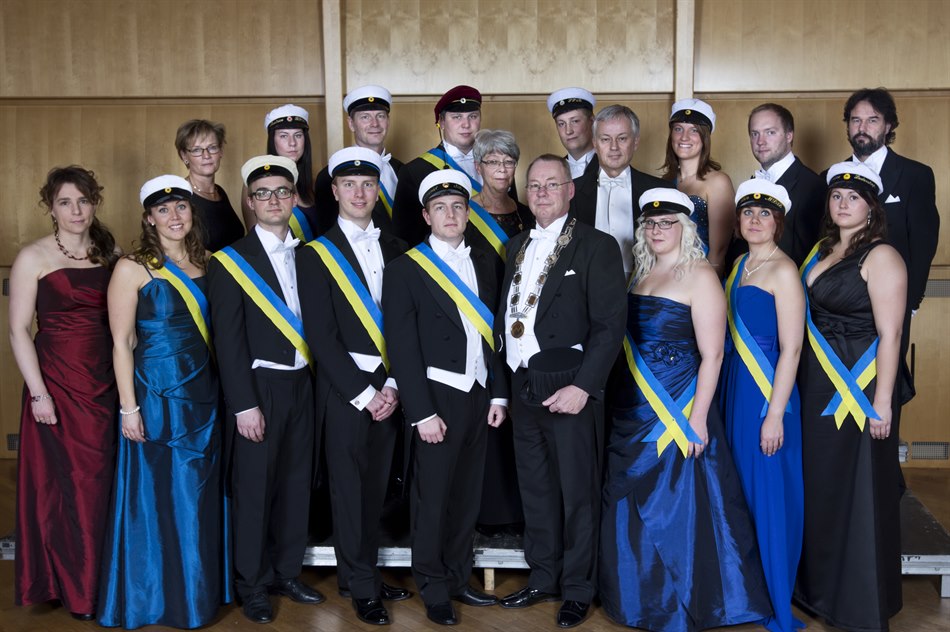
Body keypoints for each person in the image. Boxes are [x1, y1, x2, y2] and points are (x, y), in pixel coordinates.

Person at [600, 187, 771, 631]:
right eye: (650, 223)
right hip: (633, 404)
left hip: (678, 405)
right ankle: (635, 597)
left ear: (685, 228)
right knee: (630, 496)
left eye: (667, 223)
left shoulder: (701, 275)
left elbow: (712, 355)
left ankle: (687, 602)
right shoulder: (640, 273)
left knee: (678, 504)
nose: (656, 230)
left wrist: (696, 419)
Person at [497, 155, 627, 629]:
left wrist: (584, 387)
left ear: (570, 190)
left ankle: (577, 589)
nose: (542, 193)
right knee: (535, 489)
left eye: (552, 184)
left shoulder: (597, 245)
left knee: (577, 494)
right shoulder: (515, 245)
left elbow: (610, 326)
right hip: (523, 383)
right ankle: (543, 577)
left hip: (570, 385)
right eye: (534, 185)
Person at [98, 175, 230, 628]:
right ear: (149, 218)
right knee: (158, 496)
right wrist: (128, 407)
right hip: (156, 397)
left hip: (204, 394)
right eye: (163, 209)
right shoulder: (132, 268)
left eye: (182, 207)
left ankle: (197, 592)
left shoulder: (207, 260)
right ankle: (157, 596)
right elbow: (121, 342)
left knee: (198, 494)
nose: (174, 216)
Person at [384, 169, 509, 626]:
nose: (451, 214)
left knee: (466, 496)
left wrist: (499, 396)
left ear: (468, 212)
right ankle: (433, 587)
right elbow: (402, 348)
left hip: (478, 393)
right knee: (432, 499)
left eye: (458, 206)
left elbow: (495, 334)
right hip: (436, 396)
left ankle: (457, 578)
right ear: (426, 216)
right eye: (440, 208)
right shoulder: (406, 269)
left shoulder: (486, 261)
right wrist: (421, 413)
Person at [297, 147, 410, 626]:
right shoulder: (315, 254)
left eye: (368, 184)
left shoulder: (399, 248)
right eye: (350, 185)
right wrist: (366, 394)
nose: (360, 193)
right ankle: (362, 587)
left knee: (376, 490)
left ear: (377, 190)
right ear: (336, 191)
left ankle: (359, 574)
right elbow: (321, 336)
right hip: (348, 391)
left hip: (392, 386)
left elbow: (407, 326)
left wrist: (395, 385)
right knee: (348, 492)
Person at [208, 155, 323, 624]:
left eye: (282, 192)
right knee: (255, 489)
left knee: (296, 483)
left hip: (303, 384)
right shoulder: (230, 262)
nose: (273, 200)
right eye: (263, 194)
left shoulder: (310, 254)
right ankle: (252, 584)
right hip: (260, 388)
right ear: (250, 203)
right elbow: (228, 342)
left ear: (294, 199)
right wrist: (244, 405)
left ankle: (286, 572)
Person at [796, 162, 907, 631]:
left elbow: (891, 334)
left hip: (859, 386)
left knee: (858, 487)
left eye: (854, 198)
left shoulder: (882, 256)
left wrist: (882, 401)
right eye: (836, 196)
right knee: (822, 484)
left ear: (871, 207)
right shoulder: (823, 249)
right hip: (818, 381)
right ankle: (820, 590)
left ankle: (857, 601)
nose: (843, 204)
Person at [10, 166, 119, 621]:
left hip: (105, 383)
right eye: (65, 202)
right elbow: (18, 330)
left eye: (83, 201)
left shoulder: (111, 253)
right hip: (55, 384)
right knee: (67, 486)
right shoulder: (32, 256)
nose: (76, 211)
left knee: (103, 484)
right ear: (51, 208)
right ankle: (74, 588)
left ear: (94, 203)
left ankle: (105, 582)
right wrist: (39, 394)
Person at [720, 179, 805, 632]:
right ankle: (745, 593)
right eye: (748, 213)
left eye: (764, 214)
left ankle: (775, 598)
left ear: (778, 223)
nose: (755, 220)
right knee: (741, 494)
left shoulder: (784, 270)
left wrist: (774, 415)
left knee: (769, 496)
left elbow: (792, 348)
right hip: (736, 388)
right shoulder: (740, 265)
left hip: (768, 394)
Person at [467, 129, 532, 537]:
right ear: (478, 167)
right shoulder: (463, 211)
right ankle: (488, 512)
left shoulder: (527, 213)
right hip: (478, 322)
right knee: (488, 414)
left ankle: (517, 509)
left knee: (517, 416)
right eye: (493, 162)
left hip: (521, 325)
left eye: (509, 162)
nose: (502, 169)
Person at [570, 104, 674, 279]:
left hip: (644, 286)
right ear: (595, 143)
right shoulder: (570, 192)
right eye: (605, 139)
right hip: (584, 287)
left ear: (636, 142)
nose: (614, 147)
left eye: (622, 138)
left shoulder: (661, 191)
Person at [392, 85, 483, 245]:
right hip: (439, 260)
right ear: (441, 122)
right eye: (457, 117)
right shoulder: (414, 171)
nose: (466, 124)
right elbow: (406, 237)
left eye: (473, 116)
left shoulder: (499, 164)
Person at [314, 85, 403, 236]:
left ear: (388, 121)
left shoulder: (403, 170)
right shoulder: (329, 176)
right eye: (365, 117)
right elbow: (327, 233)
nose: (374, 124)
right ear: (351, 123)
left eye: (380, 116)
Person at [660, 98, 735, 274]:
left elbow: (718, 252)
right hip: (666, 274)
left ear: (705, 138)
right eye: (678, 129)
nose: (684, 137)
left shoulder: (718, 182)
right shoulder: (664, 182)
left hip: (700, 274)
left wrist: (708, 286)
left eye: (693, 130)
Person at [747, 103, 825, 267]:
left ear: (789, 136)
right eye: (755, 134)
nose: (760, 141)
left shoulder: (813, 186)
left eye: (770, 132)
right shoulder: (751, 184)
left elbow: (813, 255)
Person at [242, 104, 319, 242]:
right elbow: (257, 240)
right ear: (272, 140)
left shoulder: (314, 182)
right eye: (283, 136)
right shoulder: (256, 182)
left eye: (298, 135)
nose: (292, 143)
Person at [175, 118, 245, 251]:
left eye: (212, 147)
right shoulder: (179, 198)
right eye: (197, 150)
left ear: (221, 151)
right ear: (184, 156)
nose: (206, 155)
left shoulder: (219, 192)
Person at [547, 87, 596, 179]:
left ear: (592, 121)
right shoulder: (551, 172)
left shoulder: (611, 166)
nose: (568, 131)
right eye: (561, 124)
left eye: (575, 121)